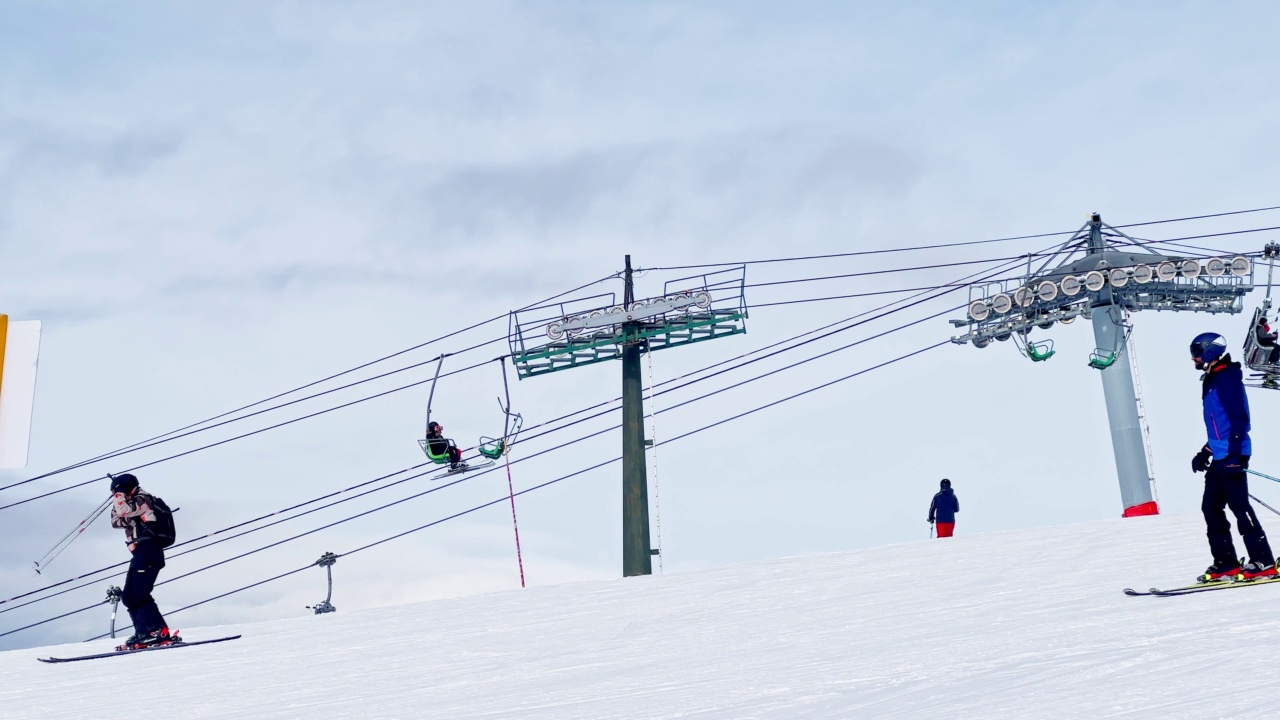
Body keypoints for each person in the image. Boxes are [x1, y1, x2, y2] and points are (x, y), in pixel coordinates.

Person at [1189, 332, 1277, 582]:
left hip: (1233, 455)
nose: (1193, 358)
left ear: (1209, 353)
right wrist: (1205, 451)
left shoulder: (1226, 378)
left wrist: (1235, 455)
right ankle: (1226, 562)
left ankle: (1264, 561)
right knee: (1211, 507)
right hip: (1220, 454)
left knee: (1239, 506)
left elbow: (1239, 418)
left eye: (1196, 353)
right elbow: (1219, 424)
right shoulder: (1212, 379)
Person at [109, 473, 176, 650]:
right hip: (140, 553)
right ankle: (143, 633)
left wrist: (119, 495)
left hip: (149, 550)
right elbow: (116, 521)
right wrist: (119, 498)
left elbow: (123, 511)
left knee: (140, 594)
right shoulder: (132, 504)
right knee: (129, 597)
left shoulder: (142, 499)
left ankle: (156, 631)